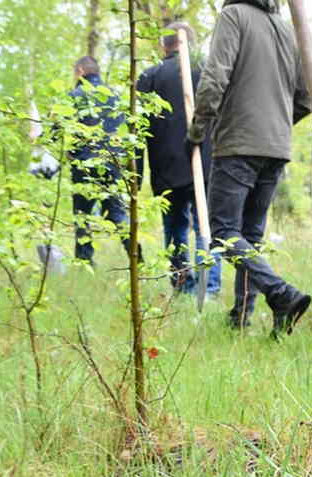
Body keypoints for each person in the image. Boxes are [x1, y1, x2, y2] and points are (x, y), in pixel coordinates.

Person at [187, 0, 311, 336]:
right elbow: (306, 98)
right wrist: (278, 126)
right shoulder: (287, 28)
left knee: (224, 232)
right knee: (250, 236)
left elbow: (214, 78)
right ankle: (240, 316)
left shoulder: (234, 15)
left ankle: (280, 293)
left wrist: (198, 130)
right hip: (276, 147)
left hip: (239, 143)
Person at [137, 22, 222, 297]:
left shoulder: (150, 76)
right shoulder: (208, 71)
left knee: (175, 229)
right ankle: (207, 290)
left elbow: (139, 130)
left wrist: (136, 176)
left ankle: (184, 287)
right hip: (205, 162)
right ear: (192, 44)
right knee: (203, 227)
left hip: (167, 168)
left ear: (164, 45)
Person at [67, 56, 139, 265]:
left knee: (82, 215)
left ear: (80, 71)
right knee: (117, 212)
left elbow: (58, 130)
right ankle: (137, 257)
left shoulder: (75, 96)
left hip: (84, 166)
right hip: (112, 162)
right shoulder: (115, 96)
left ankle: (84, 261)